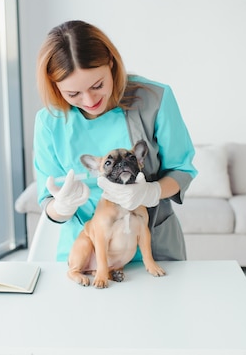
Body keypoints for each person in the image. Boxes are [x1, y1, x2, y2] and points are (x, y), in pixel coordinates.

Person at [33, 20, 197, 263]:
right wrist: (61, 207)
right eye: (73, 94)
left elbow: (182, 170)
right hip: (88, 254)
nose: (89, 100)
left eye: (97, 85)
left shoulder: (155, 99)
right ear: (55, 86)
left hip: (152, 249)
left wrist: (152, 192)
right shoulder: (49, 122)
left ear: (111, 61)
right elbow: (47, 200)